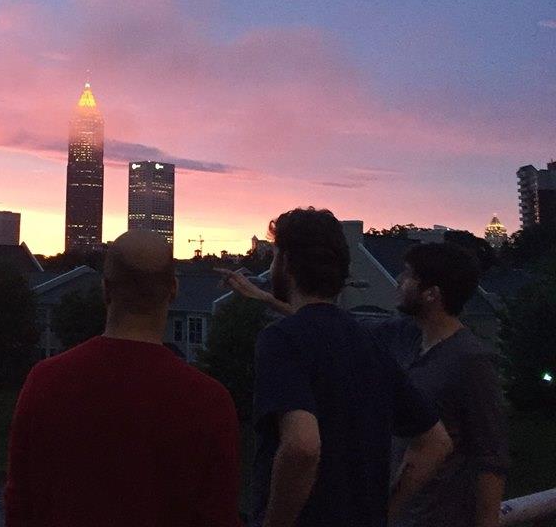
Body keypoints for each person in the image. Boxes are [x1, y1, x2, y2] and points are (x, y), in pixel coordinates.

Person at [217, 208, 451, 527]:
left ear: (286, 263)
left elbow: (302, 445)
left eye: (274, 257)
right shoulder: (367, 343)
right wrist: (385, 513)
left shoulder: (281, 340)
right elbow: (435, 442)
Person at [4, 229, 242, 527]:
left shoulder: (46, 381)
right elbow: (218, 515)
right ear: (173, 289)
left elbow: (19, 504)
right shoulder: (209, 402)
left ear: (105, 289)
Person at [377, 242, 509, 527]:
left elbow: (490, 458)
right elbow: (338, 329)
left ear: (431, 294)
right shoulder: (406, 337)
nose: (400, 281)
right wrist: (268, 298)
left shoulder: (470, 360)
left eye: (409, 275)